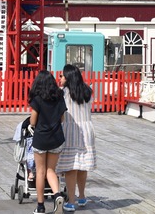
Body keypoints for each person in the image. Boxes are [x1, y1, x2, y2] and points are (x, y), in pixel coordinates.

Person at [57, 65, 97, 212]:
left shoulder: (63, 93)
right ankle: (82, 196)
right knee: (83, 165)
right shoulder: (88, 91)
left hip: (71, 129)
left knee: (71, 166)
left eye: (62, 76)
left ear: (67, 78)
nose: (60, 79)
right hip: (87, 129)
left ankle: (71, 201)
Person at [29, 71, 67, 214]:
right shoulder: (59, 97)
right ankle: (57, 194)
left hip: (41, 138)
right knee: (51, 170)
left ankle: (40, 206)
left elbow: (33, 121)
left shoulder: (37, 99)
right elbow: (62, 119)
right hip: (56, 138)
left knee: (40, 172)